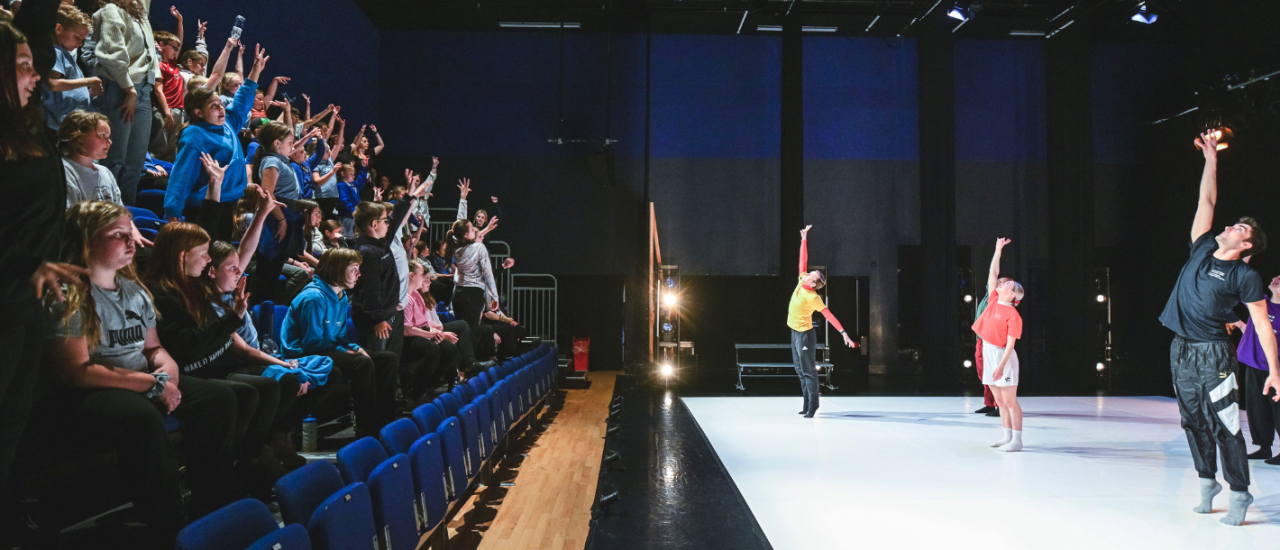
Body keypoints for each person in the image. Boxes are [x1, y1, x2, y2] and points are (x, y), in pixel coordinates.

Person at [37, 200, 238, 531]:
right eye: (119, 234)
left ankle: (211, 507)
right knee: (140, 416)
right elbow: (75, 372)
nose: (132, 241)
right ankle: (166, 525)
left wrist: (166, 378)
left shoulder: (134, 290)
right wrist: (152, 385)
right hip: (88, 392)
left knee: (219, 397)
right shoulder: (67, 294)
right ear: (87, 239)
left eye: (130, 232)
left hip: (140, 379)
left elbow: (155, 349)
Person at [1159, 130, 1280, 526]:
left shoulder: (1245, 277)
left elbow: (1262, 325)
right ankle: (1207, 481)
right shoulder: (1202, 245)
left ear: (1247, 245)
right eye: (1233, 225)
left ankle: (1240, 491)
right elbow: (1206, 200)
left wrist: (1275, 371)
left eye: (1239, 230)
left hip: (1214, 352)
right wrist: (1211, 157)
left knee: (1226, 424)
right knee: (1192, 421)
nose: (1230, 226)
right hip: (1181, 348)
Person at [0, 19, 88, 525]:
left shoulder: (24, 124)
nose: (37, 76)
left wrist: (38, 261)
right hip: (5, 302)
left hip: (23, 301)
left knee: (11, 428)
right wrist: (23, 260)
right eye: (25, 67)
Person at [281, 248, 399, 439]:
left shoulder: (341, 296)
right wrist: (347, 352)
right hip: (304, 354)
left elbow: (340, 337)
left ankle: (386, 425)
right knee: (362, 363)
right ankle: (366, 432)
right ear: (337, 269)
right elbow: (312, 343)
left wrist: (355, 347)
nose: (359, 274)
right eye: (354, 269)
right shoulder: (314, 297)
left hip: (325, 348)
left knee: (387, 359)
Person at [164, 41, 266, 239]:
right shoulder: (194, 134)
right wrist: (173, 209)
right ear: (198, 112)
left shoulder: (227, 124)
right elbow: (182, 173)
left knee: (220, 258)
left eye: (221, 104)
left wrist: (255, 73)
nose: (221, 109)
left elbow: (241, 103)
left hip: (228, 202)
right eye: (214, 106)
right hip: (204, 205)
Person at [91, 0, 157, 206]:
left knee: (134, 164)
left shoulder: (141, 15)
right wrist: (128, 89)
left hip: (144, 92)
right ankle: (104, 213)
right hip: (120, 88)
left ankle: (126, 215)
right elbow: (113, 53)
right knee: (114, 159)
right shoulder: (111, 10)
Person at [787, 225, 855, 418]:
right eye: (809, 273)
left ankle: (814, 405)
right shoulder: (803, 279)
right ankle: (806, 401)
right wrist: (804, 239)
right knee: (800, 370)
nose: (807, 274)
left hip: (805, 336)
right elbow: (802, 263)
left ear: (813, 284)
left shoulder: (814, 298)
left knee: (808, 371)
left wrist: (844, 333)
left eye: (811, 275)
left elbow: (829, 315)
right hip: (794, 331)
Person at [57, 109, 149, 247]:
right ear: (78, 137)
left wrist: (134, 234)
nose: (109, 141)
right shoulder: (64, 172)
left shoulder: (105, 172)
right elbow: (71, 225)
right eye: (102, 136)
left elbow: (120, 212)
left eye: (109, 136)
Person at [972, 238, 1025, 451]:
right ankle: (1006, 436)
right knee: (999, 401)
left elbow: (1011, 344)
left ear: (1012, 295)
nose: (1002, 284)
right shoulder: (994, 299)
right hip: (988, 351)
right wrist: (997, 250)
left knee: (1010, 401)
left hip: (1004, 356)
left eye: (1008, 285)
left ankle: (1018, 440)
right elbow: (993, 273)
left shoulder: (1013, 314)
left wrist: (1001, 366)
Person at [1230, 275, 1280, 466]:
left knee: (1278, 409)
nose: (1276, 278)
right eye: (1276, 276)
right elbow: (1236, 284)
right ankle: (1264, 446)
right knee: (1256, 408)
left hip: (1274, 370)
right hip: (1253, 366)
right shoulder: (1260, 302)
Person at [42, 3, 99, 131]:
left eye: (83, 40)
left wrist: (89, 93)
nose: (80, 44)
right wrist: (88, 81)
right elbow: (53, 83)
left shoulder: (64, 53)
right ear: (59, 29)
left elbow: (67, 92)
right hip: (63, 124)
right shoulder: (56, 52)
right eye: (77, 38)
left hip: (73, 121)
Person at [971, 277, 1010, 418]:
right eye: (997, 281)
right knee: (983, 373)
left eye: (1003, 283)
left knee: (995, 374)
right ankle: (990, 403)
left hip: (993, 341)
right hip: (981, 340)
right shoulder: (989, 294)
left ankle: (1001, 406)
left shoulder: (1000, 299)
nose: (998, 283)